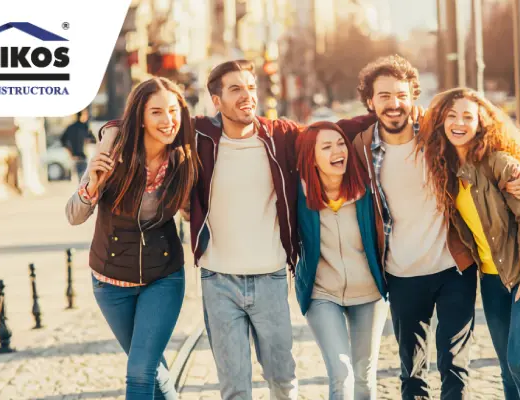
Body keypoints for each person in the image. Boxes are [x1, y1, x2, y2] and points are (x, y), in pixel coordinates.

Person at [97, 60, 377, 399]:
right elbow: (136, 120)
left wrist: (386, 114)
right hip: (218, 281)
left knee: (282, 380)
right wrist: (108, 133)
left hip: (271, 278)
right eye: (235, 89)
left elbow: (331, 130)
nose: (247, 96)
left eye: (250, 88)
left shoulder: (280, 136)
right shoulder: (198, 134)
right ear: (216, 101)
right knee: (234, 387)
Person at [348, 55, 520, 399]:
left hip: (453, 268)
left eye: (401, 95)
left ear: (413, 97)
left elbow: (489, 141)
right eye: (384, 96)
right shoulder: (360, 145)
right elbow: (316, 142)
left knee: (455, 368)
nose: (394, 103)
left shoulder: (437, 135)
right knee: (412, 373)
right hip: (401, 274)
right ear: (370, 101)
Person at [417, 87, 520, 400]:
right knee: (507, 368)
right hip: (492, 280)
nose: (459, 122)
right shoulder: (447, 171)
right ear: (441, 122)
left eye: (468, 116)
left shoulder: (499, 163)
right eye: (452, 116)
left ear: (482, 123)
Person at [65, 77, 198, 400]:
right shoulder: (112, 154)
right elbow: (74, 215)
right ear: (140, 117)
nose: (167, 121)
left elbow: (190, 213)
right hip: (111, 283)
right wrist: (92, 185)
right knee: (152, 369)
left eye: (173, 111)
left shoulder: (183, 159)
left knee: (140, 372)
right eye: (157, 112)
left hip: (163, 277)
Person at [294, 121, 389, 399]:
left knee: (363, 376)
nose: (338, 151)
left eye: (340, 144)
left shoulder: (366, 190)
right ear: (311, 158)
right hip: (323, 294)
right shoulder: (298, 194)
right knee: (341, 373)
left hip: (369, 294)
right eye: (326, 146)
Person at [61, 109, 95, 181]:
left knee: (78, 180)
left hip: (74, 158)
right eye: (86, 114)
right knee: (83, 180)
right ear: (82, 115)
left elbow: (62, 140)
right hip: (83, 157)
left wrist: (70, 153)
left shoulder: (70, 127)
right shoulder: (85, 127)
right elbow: (94, 140)